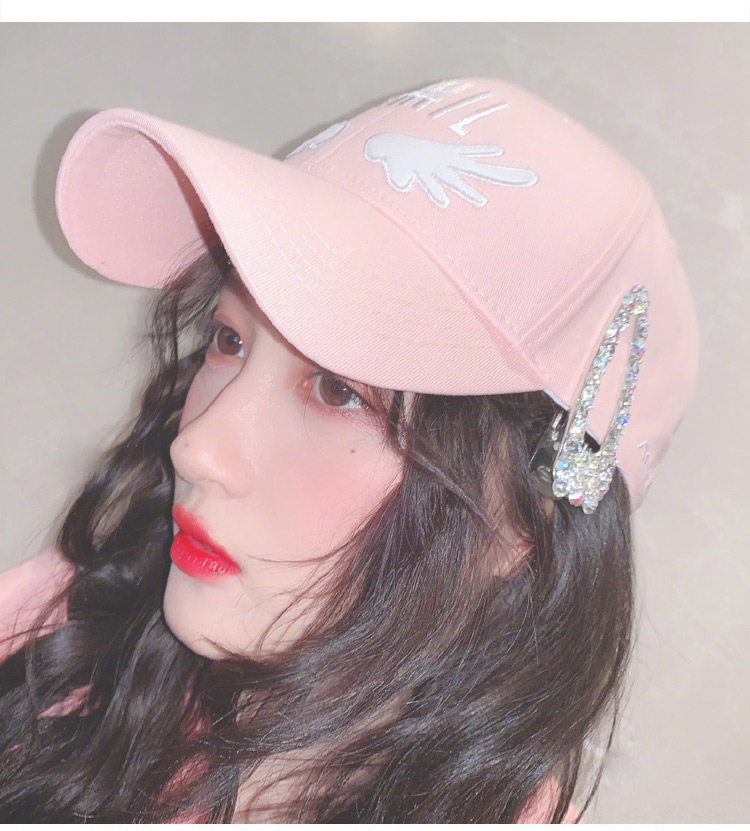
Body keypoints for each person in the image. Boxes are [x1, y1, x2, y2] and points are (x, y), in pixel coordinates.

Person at [0, 77, 698, 822]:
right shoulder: (64, 636)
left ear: (529, 521)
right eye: (229, 340)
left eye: (338, 390)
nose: (197, 449)